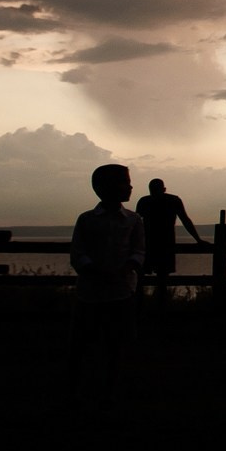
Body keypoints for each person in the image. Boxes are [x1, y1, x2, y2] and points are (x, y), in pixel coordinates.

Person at [67, 163, 145, 411]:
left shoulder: (134, 220)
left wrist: (125, 269)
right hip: (92, 292)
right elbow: (78, 253)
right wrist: (95, 271)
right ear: (104, 187)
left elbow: (139, 251)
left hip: (121, 290)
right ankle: (80, 390)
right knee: (83, 344)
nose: (130, 187)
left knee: (117, 344)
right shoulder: (87, 220)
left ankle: (109, 391)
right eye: (124, 182)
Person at [134, 178, 204, 301]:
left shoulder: (145, 201)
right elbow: (185, 220)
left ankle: (142, 305)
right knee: (159, 279)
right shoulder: (173, 200)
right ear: (164, 189)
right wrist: (198, 239)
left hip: (151, 244)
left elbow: (136, 224)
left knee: (142, 278)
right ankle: (156, 306)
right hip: (163, 244)